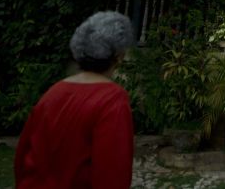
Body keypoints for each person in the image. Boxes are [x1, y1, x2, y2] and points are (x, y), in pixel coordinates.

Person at [15, 11, 135, 189]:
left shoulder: (53, 92)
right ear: (119, 56)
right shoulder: (112, 99)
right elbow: (113, 173)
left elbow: (23, 155)